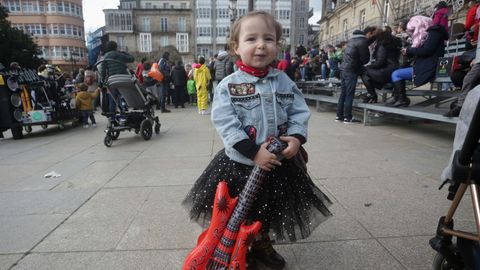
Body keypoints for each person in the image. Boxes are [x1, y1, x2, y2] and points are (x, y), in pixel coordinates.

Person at [182, 11, 332, 270]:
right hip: (242, 164)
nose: (261, 45)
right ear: (236, 47)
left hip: (278, 165)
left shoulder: (284, 81)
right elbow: (226, 123)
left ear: (277, 45)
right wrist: (253, 152)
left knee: (268, 211)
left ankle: (261, 243)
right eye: (251, 39)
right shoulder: (228, 86)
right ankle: (242, 246)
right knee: (241, 209)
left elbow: (299, 112)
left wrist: (296, 139)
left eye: (269, 39)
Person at [388, 15, 448, 107]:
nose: (413, 32)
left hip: (429, 67)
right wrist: (408, 52)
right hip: (424, 65)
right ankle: (398, 97)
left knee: (396, 74)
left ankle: (401, 99)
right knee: (398, 70)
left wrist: (409, 50)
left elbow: (426, 50)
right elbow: (423, 51)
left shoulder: (434, 33)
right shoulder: (432, 33)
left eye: (413, 29)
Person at [336, 28, 372, 123]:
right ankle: (348, 118)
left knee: (343, 93)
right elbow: (365, 59)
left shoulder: (350, 41)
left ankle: (339, 116)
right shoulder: (362, 41)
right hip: (351, 70)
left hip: (343, 70)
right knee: (349, 94)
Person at [361, 29, 401, 103]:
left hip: (388, 70)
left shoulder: (382, 44)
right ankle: (374, 93)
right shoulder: (391, 43)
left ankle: (372, 96)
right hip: (393, 69)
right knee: (368, 72)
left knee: (364, 72)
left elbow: (380, 62)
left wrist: (368, 67)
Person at [101, 41, 134, 113]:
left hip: (112, 80)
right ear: (116, 47)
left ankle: (112, 118)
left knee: (112, 98)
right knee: (124, 95)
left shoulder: (105, 57)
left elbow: (103, 71)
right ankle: (125, 111)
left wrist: (102, 81)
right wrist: (124, 52)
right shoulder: (120, 55)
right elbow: (132, 59)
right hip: (123, 79)